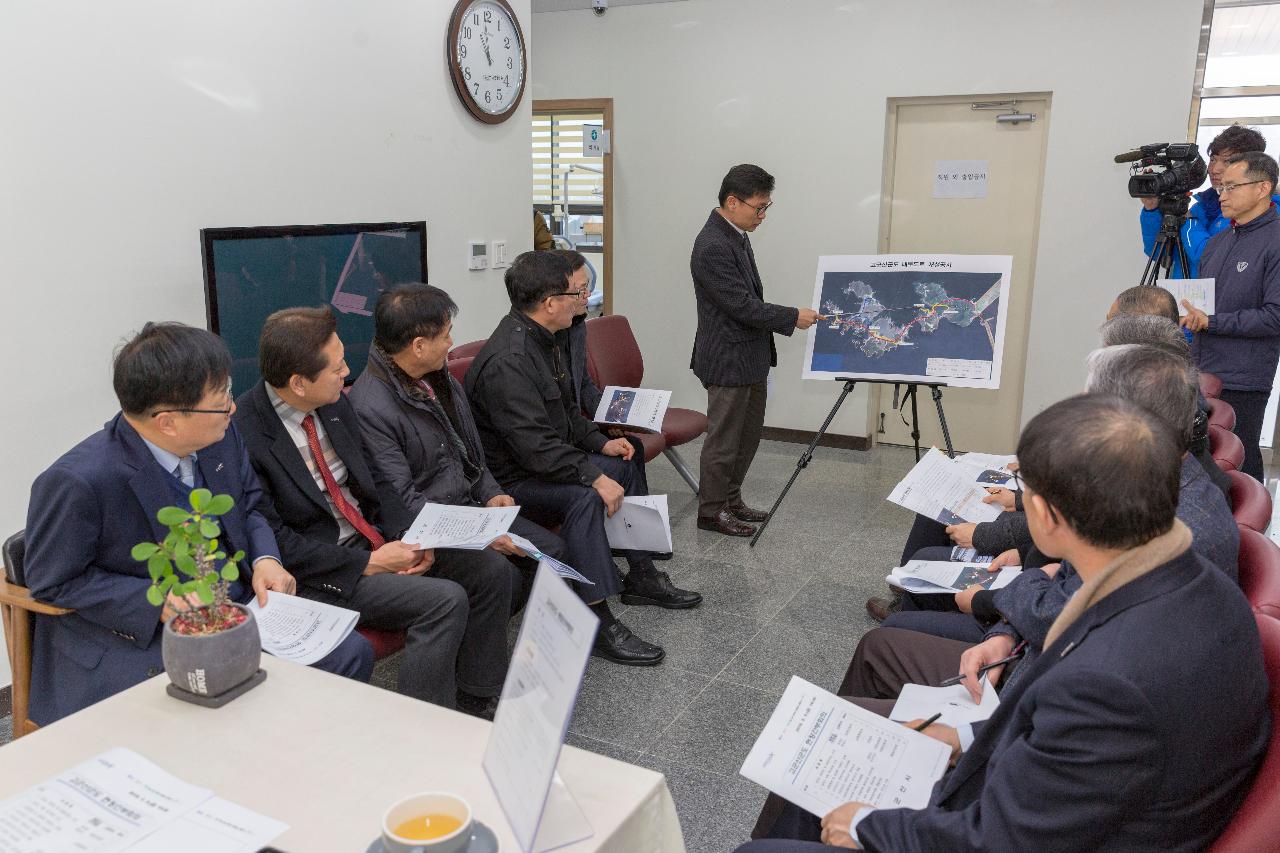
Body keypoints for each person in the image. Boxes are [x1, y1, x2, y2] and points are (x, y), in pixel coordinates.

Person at [746, 394, 1268, 851]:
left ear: (1045, 517)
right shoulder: (1197, 582)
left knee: (801, 803)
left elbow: (1000, 838)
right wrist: (971, 737)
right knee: (827, 760)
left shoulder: (1105, 684)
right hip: (1079, 808)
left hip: (1032, 826)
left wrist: (865, 828)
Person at [22, 322, 373, 725]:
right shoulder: (79, 480)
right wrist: (157, 603)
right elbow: (54, 581)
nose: (233, 405)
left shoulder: (221, 437)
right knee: (224, 710)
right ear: (168, 421)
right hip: (140, 637)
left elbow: (251, 506)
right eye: (221, 397)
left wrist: (265, 560)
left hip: (234, 610)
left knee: (349, 654)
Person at [235, 307, 520, 717]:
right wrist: (370, 562)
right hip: (325, 568)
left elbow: (376, 486)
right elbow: (276, 538)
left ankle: (477, 694)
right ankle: (422, 723)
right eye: (336, 367)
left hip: (377, 541)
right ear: (298, 383)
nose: (347, 372)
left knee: (490, 571)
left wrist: (414, 538)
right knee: (444, 601)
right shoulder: (245, 433)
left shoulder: (332, 403)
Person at [466, 250, 701, 666]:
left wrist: (599, 443)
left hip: (544, 462)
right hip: (515, 480)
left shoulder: (549, 339)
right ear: (549, 302)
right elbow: (535, 447)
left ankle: (642, 575)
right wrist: (591, 475)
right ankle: (595, 619)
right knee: (584, 496)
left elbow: (565, 416)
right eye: (577, 293)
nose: (585, 300)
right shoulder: (509, 361)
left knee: (626, 459)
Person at [348, 284, 565, 612]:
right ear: (419, 346)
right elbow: (404, 502)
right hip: (432, 530)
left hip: (469, 509)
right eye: (446, 335)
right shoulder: (370, 407)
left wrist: (491, 492)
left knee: (551, 551)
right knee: (501, 574)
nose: (451, 344)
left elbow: (469, 450)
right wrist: (477, 535)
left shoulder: (435, 377)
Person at [690, 164, 820, 536]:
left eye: (767, 207)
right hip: (728, 358)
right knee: (723, 441)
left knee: (746, 438)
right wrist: (791, 316)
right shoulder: (712, 245)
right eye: (758, 207)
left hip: (750, 356)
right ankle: (711, 512)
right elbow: (741, 305)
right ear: (733, 202)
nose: (762, 215)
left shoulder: (735, 233)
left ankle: (731, 501)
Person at [1180, 151, 1280, 481]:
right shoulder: (1217, 242)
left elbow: (1274, 317)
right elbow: (1207, 303)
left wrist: (1212, 321)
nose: (1222, 195)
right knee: (1201, 462)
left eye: (1232, 187)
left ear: (1263, 187)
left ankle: (1250, 530)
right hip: (1200, 370)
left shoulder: (1275, 240)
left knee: (1239, 461)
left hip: (1243, 378)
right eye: (1221, 187)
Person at [1138, 124, 1269, 278]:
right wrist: (1152, 208)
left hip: (1222, 300)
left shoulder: (1261, 211)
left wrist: (1187, 221)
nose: (1214, 169)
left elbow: (1209, 257)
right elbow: (1160, 254)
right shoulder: (1201, 208)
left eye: (1227, 161)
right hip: (1186, 300)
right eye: (1213, 159)